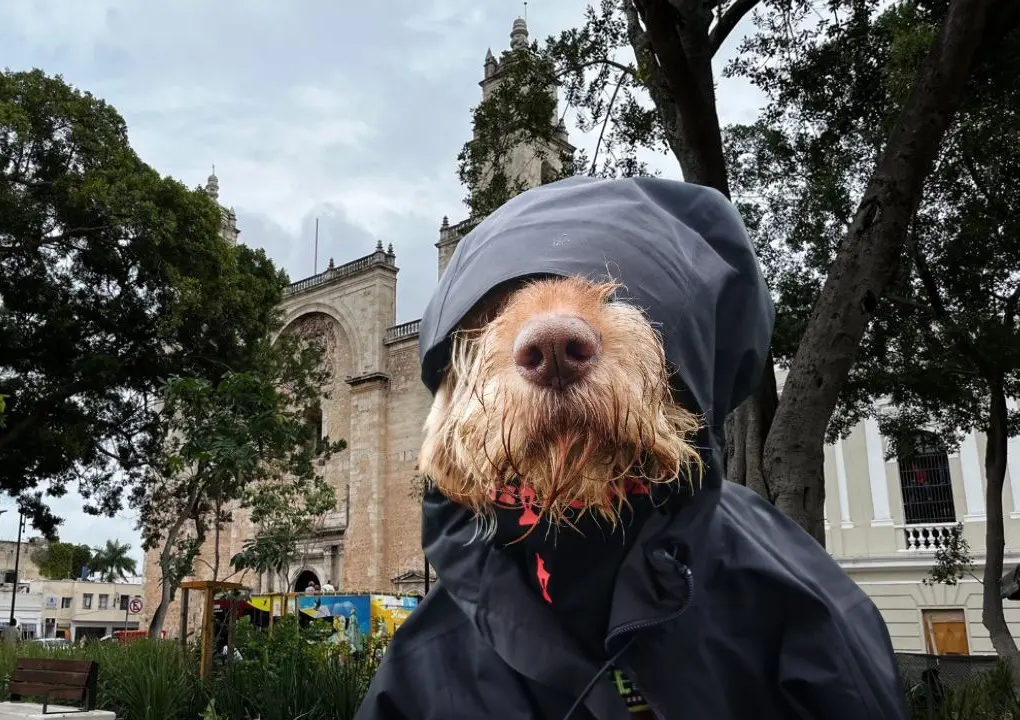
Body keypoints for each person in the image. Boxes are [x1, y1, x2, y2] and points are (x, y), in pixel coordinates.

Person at [355, 177, 909, 719]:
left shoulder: (791, 599)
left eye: (620, 294)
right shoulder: (426, 664)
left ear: (691, 360)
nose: (551, 332)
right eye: (495, 309)